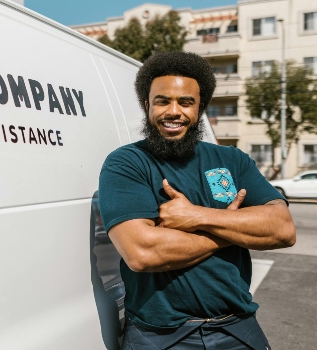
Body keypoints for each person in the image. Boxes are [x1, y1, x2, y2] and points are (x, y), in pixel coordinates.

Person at [98, 51, 296, 350]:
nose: (173, 111)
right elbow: (142, 252)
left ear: (199, 107)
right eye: (162, 101)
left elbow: (282, 229)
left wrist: (198, 217)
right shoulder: (127, 163)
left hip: (237, 327)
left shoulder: (232, 159)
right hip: (160, 336)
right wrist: (233, 232)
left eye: (186, 102)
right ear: (147, 105)